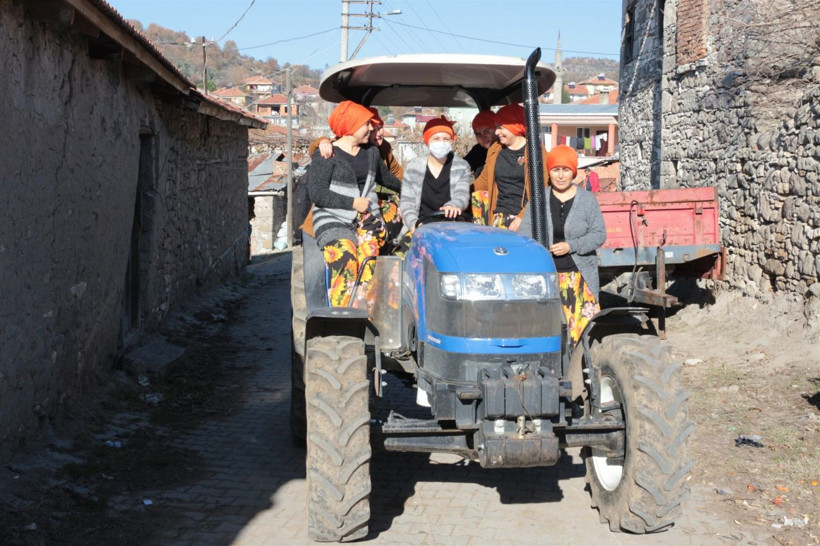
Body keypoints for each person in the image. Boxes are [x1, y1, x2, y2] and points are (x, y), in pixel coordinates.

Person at [306, 101, 402, 307]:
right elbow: (317, 192)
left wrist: (415, 192)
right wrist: (352, 203)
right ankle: (343, 316)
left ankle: (364, 310)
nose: (371, 128)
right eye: (366, 124)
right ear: (350, 126)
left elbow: (388, 179)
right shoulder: (326, 155)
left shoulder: (371, 153)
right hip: (333, 218)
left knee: (369, 259)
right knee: (345, 256)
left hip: (367, 218)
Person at [520, 145, 606, 344]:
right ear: (548, 172)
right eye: (555, 170)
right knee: (547, 331)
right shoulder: (539, 199)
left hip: (579, 277)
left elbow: (599, 234)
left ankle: (579, 371)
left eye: (566, 170)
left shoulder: (587, 200)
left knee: (582, 334)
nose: (560, 175)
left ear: (573, 172)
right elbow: (524, 232)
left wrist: (571, 246)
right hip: (547, 276)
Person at [311, 107, 404, 247]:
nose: (377, 132)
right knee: (342, 255)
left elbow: (393, 177)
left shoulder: (378, 150)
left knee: (373, 254)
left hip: (366, 212)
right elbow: (317, 189)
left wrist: (413, 194)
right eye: (371, 128)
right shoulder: (330, 149)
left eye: (380, 128)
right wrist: (323, 141)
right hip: (333, 213)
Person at [396, 116, 471, 255]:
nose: (441, 143)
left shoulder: (461, 166)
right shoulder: (413, 167)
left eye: (446, 139)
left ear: (452, 141)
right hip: (421, 225)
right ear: (427, 141)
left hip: (451, 227)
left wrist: (454, 205)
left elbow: (462, 195)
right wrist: (414, 225)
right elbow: (407, 203)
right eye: (436, 139)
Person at [471, 103, 549, 230]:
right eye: (496, 127)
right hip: (499, 216)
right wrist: (457, 197)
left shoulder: (535, 152)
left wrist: (523, 216)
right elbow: (483, 182)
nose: (497, 132)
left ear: (515, 127)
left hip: (524, 218)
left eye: (501, 128)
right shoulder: (495, 149)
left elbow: (542, 190)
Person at [462, 109, 496, 177]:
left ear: (497, 130)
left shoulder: (508, 149)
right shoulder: (478, 151)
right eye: (478, 134)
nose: (483, 137)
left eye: (487, 131)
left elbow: (521, 163)